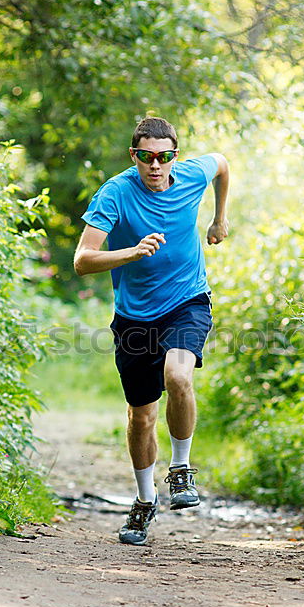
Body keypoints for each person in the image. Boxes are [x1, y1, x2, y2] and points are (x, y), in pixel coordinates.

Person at [74, 116, 230, 545]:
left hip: (187, 302)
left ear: (174, 157)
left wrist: (219, 219)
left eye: (164, 157)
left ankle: (181, 470)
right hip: (134, 317)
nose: (155, 165)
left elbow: (221, 163)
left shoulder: (191, 175)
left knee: (178, 375)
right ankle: (145, 502)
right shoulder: (116, 193)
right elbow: (82, 260)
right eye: (147, 157)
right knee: (141, 417)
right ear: (134, 156)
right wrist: (130, 253)